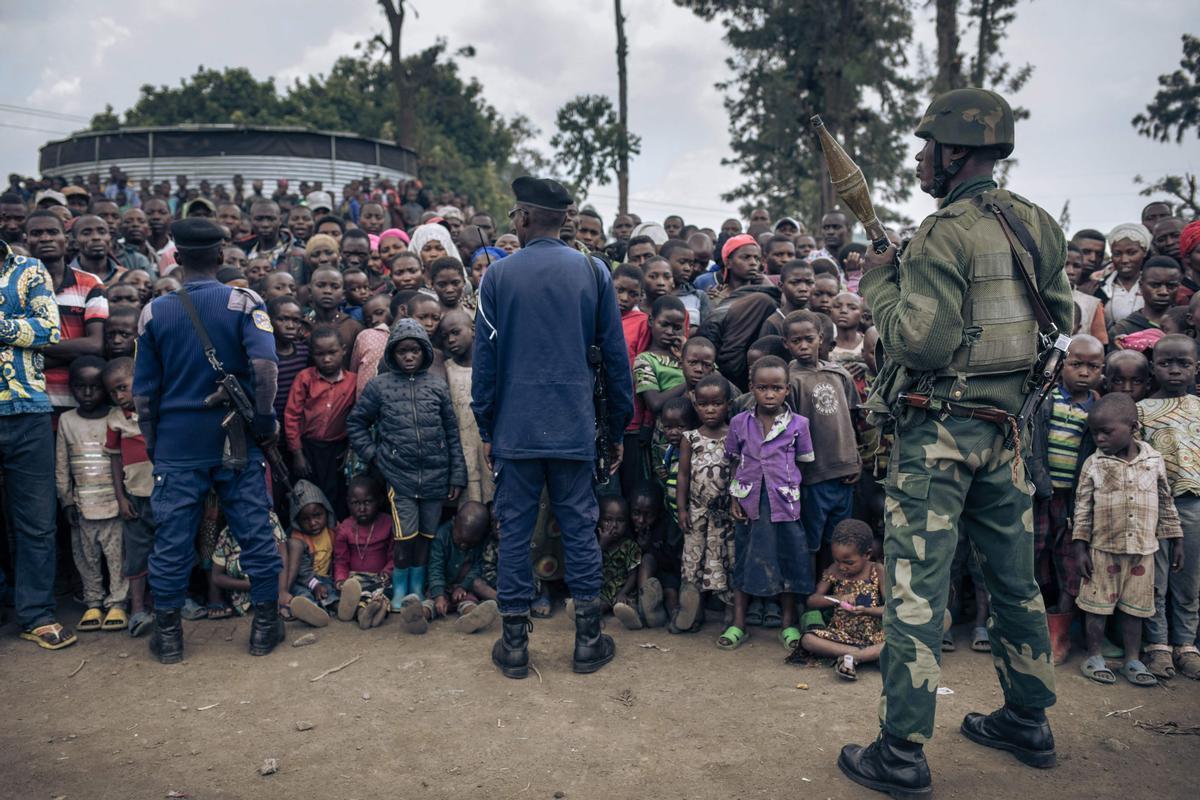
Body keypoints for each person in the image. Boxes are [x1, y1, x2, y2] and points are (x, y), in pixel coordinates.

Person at [841, 89, 1070, 796]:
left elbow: (921, 341)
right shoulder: (1034, 222)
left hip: (938, 434)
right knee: (1013, 581)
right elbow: (1057, 314)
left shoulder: (945, 230)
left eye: (925, 147)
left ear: (954, 151)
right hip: (1007, 432)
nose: (917, 158)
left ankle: (901, 752)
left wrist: (882, 283)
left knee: (916, 589)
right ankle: (1028, 719)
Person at [472, 176, 633, 679]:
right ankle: (587, 642)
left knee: (515, 531)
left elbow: (486, 363)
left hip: (516, 430)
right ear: (564, 219)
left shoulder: (496, 277)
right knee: (580, 530)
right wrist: (615, 426)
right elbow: (614, 358)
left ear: (522, 218)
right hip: (574, 427)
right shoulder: (593, 270)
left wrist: (486, 423)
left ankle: (515, 646)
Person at [132, 217, 285, 664]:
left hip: (178, 444)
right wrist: (264, 420)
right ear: (221, 256)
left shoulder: (154, 312)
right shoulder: (244, 300)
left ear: (176, 258)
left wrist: (156, 443)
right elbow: (266, 369)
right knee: (254, 532)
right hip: (235, 438)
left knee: (173, 540)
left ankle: (169, 636)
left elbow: (143, 395)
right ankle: (263, 627)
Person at [346, 318, 466, 625]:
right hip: (399, 475)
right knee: (405, 536)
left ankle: (417, 589)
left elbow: (452, 433)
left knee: (426, 536)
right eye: (403, 352)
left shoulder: (437, 386)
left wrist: (456, 475)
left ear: (425, 352)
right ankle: (400, 592)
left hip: (437, 476)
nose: (409, 356)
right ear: (392, 354)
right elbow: (356, 423)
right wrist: (375, 456)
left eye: (415, 350)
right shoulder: (379, 386)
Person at [1072, 392, 1182, 687]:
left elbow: (1166, 502)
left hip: (1143, 552)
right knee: (1096, 607)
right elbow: (1082, 508)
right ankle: (1094, 656)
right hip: (1102, 550)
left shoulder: (1154, 461)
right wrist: (1080, 547)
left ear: (1133, 428)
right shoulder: (1093, 465)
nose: (1099, 438)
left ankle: (1132, 659)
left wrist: (1176, 539)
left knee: (1135, 610)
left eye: (1106, 432)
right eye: (1094, 432)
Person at [0, 238, 70, 649]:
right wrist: (14, 327)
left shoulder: (28, 269)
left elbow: (47, 330)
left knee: (36, 522)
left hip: (26, 410)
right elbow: (29, 329)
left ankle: (36, 614)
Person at [722, 355, 814, 653]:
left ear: (787, 389)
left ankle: (788, 624)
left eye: (776, 388)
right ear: (752, 389)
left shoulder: (799, 424)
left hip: (785, 504)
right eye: (763, 388)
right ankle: (738, 624)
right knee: (745, 559)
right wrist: (736, 495)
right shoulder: (739, 423)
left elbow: (804, 464)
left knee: (788, 559)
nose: (770, 394)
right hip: (749, 502)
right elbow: (735, 461)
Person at [1027, 335, 1103, 664]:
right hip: (1041, 495)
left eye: (1093, 366)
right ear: (1061, 365)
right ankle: (1029, 627)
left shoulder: (1099, 407)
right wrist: (1041, 482)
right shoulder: (1046, 399)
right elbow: (1031, 445)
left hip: (1076, 502)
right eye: (1076, 364)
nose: (1084, 372)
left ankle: (1060, 634)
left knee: (1070, 563)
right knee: (1033, 555)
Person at [1138, 334, 1200, 680]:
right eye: (1166, 363)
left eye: (1183, 363)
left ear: (1196, 368)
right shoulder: (1141, 411)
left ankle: (1186, 645)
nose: (1174, 370)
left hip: (1194, 505)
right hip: (1154, 505)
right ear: (1153, 367)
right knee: (1154, 579)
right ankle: (1158, 645)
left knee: (1189, 578)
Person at [783, 310, 861, 571]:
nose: (803, 346)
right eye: (796, 341)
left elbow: (851, 420)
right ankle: (809, 598)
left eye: (809, 339)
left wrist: (855, 459)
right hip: (813, 474)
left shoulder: (839, 374)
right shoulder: (789, 381)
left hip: (844, 471)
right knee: (811, 541)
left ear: (821, 338)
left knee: (839, 540)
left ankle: (833, 596)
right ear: (786, 344)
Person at [56, 355, 128, 632]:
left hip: (113, 503)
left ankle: (118, 602)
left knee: (117, 556)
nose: (87, 393)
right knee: (85, 557)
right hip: (82, 505)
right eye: (80, 386)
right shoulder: (66, 420)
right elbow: (62, 464)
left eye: (95, 387)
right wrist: (65, 500)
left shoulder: (116, 417)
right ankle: (93, 603)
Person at [675, 373, 735, 631]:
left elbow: (738, 471)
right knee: (693, 561)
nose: (710, 410)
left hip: (727, 514)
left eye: (717, 403)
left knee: (728, 560)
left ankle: (731, 612)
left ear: (728, 405)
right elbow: (683, 474)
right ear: (695, 404)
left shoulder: (735, 434)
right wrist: (681, 509)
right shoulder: (690, 438)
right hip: (697, 512)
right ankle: (693, 611)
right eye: (703, 404)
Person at [102, 357, 156, 638]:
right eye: (113, 392)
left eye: (123, 387)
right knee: (137, 555)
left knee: (172, 550)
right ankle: (137, 610)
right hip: (135, 499)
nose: (120, 396)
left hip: (165, 494)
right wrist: (121, 499)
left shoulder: (158, 409)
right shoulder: (115, 419)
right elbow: (113, 460)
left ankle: (173, 600)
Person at [800, 519, 886, 681]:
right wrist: (837, 598)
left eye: (849, 562)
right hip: (841, 636)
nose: (842, 567)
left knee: (896, 641)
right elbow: (812, 601)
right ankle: (865, 655)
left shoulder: (877, 570)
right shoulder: (834, 571)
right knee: (808, 640)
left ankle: (854, 656)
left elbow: (891, 609)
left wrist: (867, 610)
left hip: (874, 635)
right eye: (837, 560)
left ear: (867, 555)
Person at [284, 327, 356, 518]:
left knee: (335, 494)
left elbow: (356, 419)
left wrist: (350, 448)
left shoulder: (352, 382)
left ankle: (334, 539)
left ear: (343, 350)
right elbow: (292, 416)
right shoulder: (305, 378)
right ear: (312, 354)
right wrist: (297, 453)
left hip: (336, 450)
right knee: (307, 495)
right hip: (307, 448)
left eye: (332, 353)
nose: (326, 359)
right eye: (320, 354)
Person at [441, 309, 493, 503]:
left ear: (472, 329)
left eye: (456, 332)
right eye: (445, 337)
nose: (451, 340)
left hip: (488, 450)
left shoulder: (490, 366)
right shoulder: (446, 370)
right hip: (462, 454)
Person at [424, 500, 499, 634]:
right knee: (430, 602)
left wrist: (463, 586)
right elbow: (436, 567)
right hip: (442, 586)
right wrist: (439, 595)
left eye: (470, 543)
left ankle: (472, 619)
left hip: (464, 588)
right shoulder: (442, 535)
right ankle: (419, 616)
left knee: (469, 602)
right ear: (454, 522)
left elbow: (478, 567)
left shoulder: (481, 542)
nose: (464, 545)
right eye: (460, 539)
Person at [332, 475, 393, 629]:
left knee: (384, 593)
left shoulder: (388, 523)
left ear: (379, 501)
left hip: (380, 578)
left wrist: (387, 571)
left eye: (367, 502)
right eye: (356, 503)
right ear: (348, 504)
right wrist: (341, 579)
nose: (362, 508)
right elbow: (341, 560)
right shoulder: (345, 528)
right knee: (356, 593)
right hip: (355, 578)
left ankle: (377, 611)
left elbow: (394, 555)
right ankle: (362, 614)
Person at [284, 479, 338, 628]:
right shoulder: (298, 538)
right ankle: (310, 611)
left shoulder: (333, 531)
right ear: (297, 521)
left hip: (324, 579)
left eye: (317, 515)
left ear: (326, 512)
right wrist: (314, 585)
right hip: (304, 580)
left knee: (331, 590)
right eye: (305, 519)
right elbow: (301, 570)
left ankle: (337, 606)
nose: (313, 523)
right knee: (302, 594)